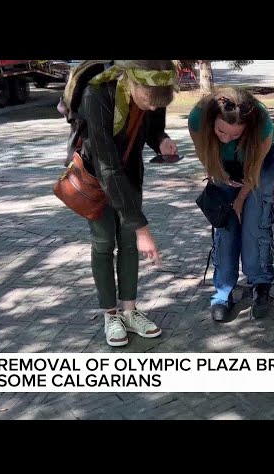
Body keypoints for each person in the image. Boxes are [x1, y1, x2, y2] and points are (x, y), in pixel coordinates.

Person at [66, 60, 179, 347]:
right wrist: (142, 227)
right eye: (147, 102)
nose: (152, 108)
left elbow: (152, 124)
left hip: (129, 171)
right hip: (95, 173)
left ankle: (129, 311)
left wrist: (161, 139)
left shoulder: (156, 87)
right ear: (130, 82)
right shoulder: (98, 94)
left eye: (158, 104)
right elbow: (107, 166)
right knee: (105, 243)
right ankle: (110, 314)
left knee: (129, 243)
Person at [188, 86, 274, 322]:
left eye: (234, 135)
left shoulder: (262, 124)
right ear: (212, 121)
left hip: (258, 165)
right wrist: (217, 173)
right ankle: (223, 292)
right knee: (226, 226)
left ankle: (260, 282)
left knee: (254, 223)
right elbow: (203, 152)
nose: (226, 138)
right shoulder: (198, 118)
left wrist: (239, 200)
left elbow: (254, 171)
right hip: (222, 164)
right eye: (221, 131)